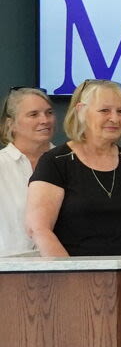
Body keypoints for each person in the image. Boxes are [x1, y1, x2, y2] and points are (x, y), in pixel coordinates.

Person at [26, 79, 121, 258]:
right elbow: (38, 228)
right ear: (81, 111)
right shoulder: (55, 162)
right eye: (105, 110)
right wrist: (72, 275)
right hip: (72, 279)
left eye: (120, 111)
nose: (114, 118)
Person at [0, 87, 57, 258]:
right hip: (7, 271)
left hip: (60, 270)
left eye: (49, 113)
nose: (45, 120)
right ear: (11, 124)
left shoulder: (70, 163)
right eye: (34, 115)